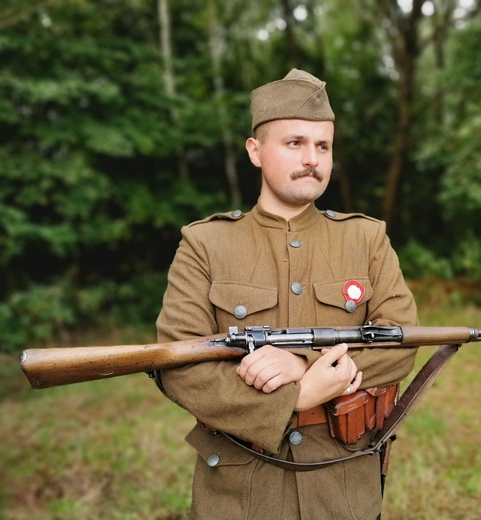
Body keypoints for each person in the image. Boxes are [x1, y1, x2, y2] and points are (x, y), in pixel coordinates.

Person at [155, 69, 419, 520]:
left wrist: (307, 366)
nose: (311, 158)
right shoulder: (206, 244)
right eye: (294, 143)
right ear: (255, 151)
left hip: (342, 487)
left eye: (323, 146)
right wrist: (292, 397)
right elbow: (179, 365)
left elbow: (401, 344)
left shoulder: (367, 239)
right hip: (239, 495)